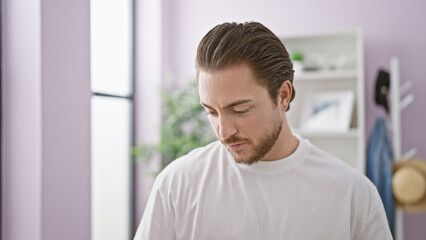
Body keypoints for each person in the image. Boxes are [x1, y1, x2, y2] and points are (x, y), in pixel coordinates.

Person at [134, 22, 392, 240]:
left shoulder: (352, 194)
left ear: (283, 95)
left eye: (240, 110)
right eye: (211, 111)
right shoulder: (177, 184)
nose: (223, 131)